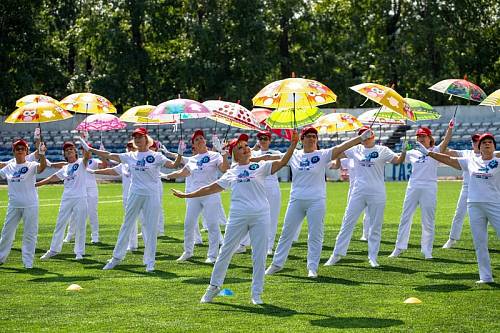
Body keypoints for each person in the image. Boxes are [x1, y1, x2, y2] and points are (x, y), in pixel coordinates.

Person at [172, 131, 298, 304]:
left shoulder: (261, 166)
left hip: (261, 216)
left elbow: (283, 162)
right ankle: (213, 287)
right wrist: (188, 196)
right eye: (240, 147)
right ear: (235, 155)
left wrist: (293, 144)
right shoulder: (231, 172)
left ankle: (256, 293)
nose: (246, 148)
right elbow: (210, 188)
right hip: (238, 217)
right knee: (225, 253)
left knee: (259, 256)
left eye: (246, 146)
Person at [266, 126, 372, 278]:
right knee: (286, 234)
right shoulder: (294, 155)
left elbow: (342, 147)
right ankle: (276, 264)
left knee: (315, 235)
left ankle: (312, 267)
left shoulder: (322, 154)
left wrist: (360, 138)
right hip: (296, 200)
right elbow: (272, 158)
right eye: (308, 136)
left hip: (316, 201)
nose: (311, 138)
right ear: (301, 139)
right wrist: (250, 160)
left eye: (314, 136)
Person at [79, 127, 182, 272]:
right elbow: (109, 155)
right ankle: (116, 258)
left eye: (140, 137)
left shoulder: (157, 156)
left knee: (150, 228)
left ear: (146, 139)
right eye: (135, 137)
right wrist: (90, 149)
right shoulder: (130, 156)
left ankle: (150, 262)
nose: (137, 139)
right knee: (127, 224)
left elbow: (174, 165)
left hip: (151, 195)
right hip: (135, 193)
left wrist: (180, 153)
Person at [418, 133, 500, 283]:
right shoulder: (470, 161)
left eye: (490, 142)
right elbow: (449, 160)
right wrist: (428, 153)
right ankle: (486, 277)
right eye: (484, 143)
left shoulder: (498, 161)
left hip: (495, 205)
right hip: (474, 205)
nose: (487, 144)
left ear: (494, 147)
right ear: (479, 147)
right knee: (480, 243)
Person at [324, 126, 406, 268]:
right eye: (363, 135)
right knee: (347, 223)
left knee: (375, 226)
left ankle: (373, 257)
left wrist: (404, 151)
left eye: (368, 134)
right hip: (358, 192)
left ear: (373, 136)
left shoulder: (383, 150)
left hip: (377, 192)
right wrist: (350, 146)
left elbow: (398, 161)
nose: (367, 137)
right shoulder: (356, 150)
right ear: (360, 138)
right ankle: (336, 255)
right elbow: (336, 153)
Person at [162, 129, 229, 264]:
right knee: (189, 224)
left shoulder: (215, 155)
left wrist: (224, 154)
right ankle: (188, 251)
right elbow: (183, 172)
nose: (200, 140)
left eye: (201, 138)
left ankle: (212, 255)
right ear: (194, 145)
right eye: (197, 139)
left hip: (210, 194)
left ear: (205, 141)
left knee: (212, 225)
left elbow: (224, 169)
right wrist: (165, 176)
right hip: (193, 195)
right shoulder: (192, 159)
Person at [389, 122, 453, 259]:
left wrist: (450, 128)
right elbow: (398, 160)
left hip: (429, 187)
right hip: (413, 186)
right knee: (405, 217)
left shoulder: (435, 150)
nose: (421, 139)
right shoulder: (412, 152)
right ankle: (399, 247)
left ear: (430, 138)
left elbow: (446, 141)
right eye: (418, 136)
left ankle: (427, 249)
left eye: (423, 136)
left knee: (428, 219)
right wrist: (404, 150)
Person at [37, 141, 90, 260]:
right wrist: (36, 184)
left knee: (80, 225)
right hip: (66, 198)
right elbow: (51, 178)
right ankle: (53, 250)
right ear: (64, 154)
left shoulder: (81, 163)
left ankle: (79, 252)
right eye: (67, 150)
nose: (69, 151)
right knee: (60, 224)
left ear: (75, 151)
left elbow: (87, 156)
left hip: (80, 197)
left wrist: (83, 141)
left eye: (71, 149)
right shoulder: (65, 168)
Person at [0, 139, 47, 268]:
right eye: (17, 149)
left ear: (27, 151)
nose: (20, 151)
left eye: (22, 149)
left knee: (30, 234)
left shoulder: (31, 165)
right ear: (13, 151)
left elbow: (42, 168)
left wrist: (42, 154)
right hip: (13, 205)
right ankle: (0, 258)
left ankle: (28, 263)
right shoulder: (9, 167)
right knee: (6, 233)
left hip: (31, 204)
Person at [442, 134, 481, 249]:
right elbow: (445, 151)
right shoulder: (466, 153)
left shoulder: (489, 154)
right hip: (467, 188)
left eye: (478, 141)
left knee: (488, 216)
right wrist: (449, 131)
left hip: (483, 189)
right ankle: (452, 239)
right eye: (474, 141)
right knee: (459, 213)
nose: (475, 143)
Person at [64, 144, 107, 244]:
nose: (84, 151)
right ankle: (70, 235)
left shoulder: (94, 161)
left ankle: (95, 236)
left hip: (91, 189)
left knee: (92, 212)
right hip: (79, 189)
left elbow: (104, 166)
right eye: (82, 150)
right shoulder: (78, 162)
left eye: (85, 150)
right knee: (74, 213)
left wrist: (102, 154)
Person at [330, 157, 369, 241]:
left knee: (368, 212)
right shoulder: (350, 158)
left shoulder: (367, 157)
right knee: (349, 213)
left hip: (369, 188)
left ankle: (366, 235)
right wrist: (335, 159)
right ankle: (344, 234)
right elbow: (336, 164)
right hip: (353, 189)